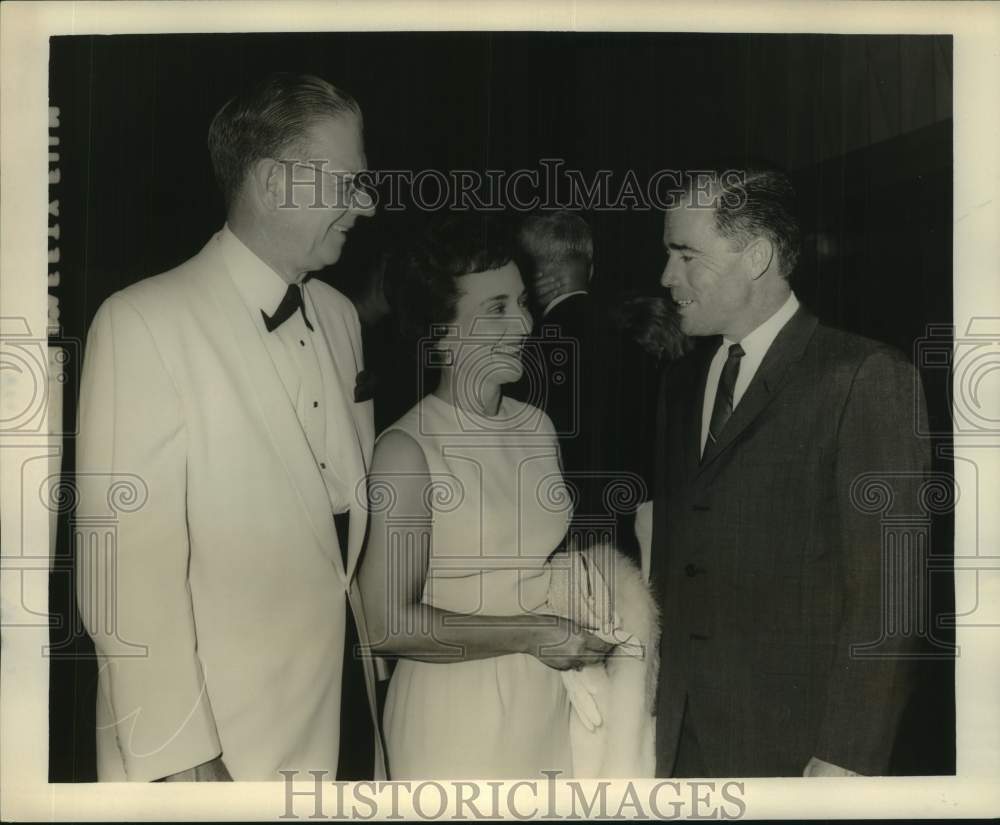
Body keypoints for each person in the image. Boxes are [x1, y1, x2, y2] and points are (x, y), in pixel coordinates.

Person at [74, 73, 382, 781]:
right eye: (348, 184)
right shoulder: (144, 323)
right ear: (275, 182)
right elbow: (124, 578)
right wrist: (186, 764)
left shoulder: (339, 319)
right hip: (219, 758)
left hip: (342, 733)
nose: (363, 206)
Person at [650, 163, 930, 777]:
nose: (668, 277)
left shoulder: (863, 377)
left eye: (685, 253)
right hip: (680, 745)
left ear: (755, 256)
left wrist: (845, 756)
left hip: (798, 750)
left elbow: (892, 594)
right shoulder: (681, 383)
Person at [358, 214, 619, 780]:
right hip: (455, 713)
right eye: (496, 309)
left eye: (522, 302)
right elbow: (384, 623)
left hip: (545, 703)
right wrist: (532, 632)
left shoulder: (537, 426)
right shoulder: (408, 448)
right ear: (442, 331)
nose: (524, 324)